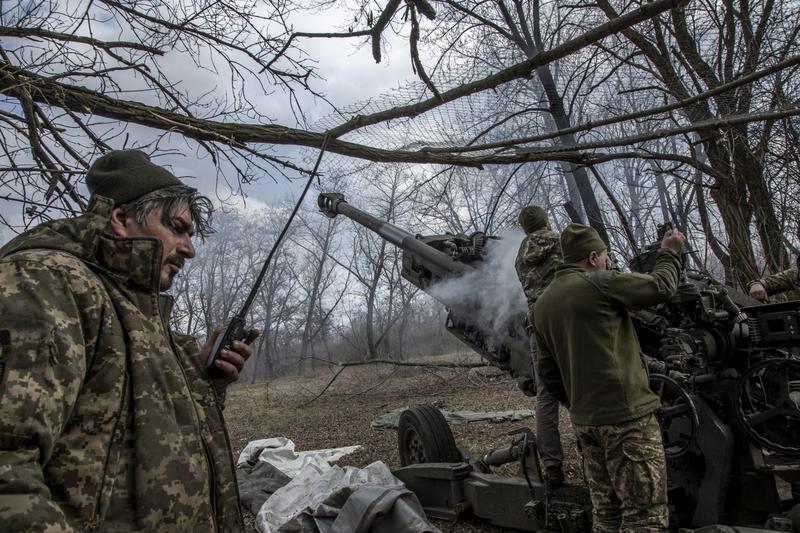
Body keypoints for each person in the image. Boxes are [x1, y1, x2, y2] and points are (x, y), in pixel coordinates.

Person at [0, 149, 257, 531]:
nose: (189, 248)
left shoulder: (138, 311)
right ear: (121, 219)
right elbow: (9, 464)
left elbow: (138, 435)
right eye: (177, 228)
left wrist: (208, 385)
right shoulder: (46, 282)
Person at [534, 223, 685, 533]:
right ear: (592, 257)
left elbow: (548, 373)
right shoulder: (599, 284)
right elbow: (661, 288)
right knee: (645, 517)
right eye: (604, 255)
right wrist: (669, 253)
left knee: (607, 514)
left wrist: (579, 402)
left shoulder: (541, 306)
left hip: (586, 423)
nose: (606, 261)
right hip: (628, 419)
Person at [514, 205, 565, 489]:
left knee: (546, 397)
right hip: (567, 323)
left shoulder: (521, 257)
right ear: (545, 221)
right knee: (582, 387)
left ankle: (554, 468)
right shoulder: (563, 242)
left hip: (538, 328)